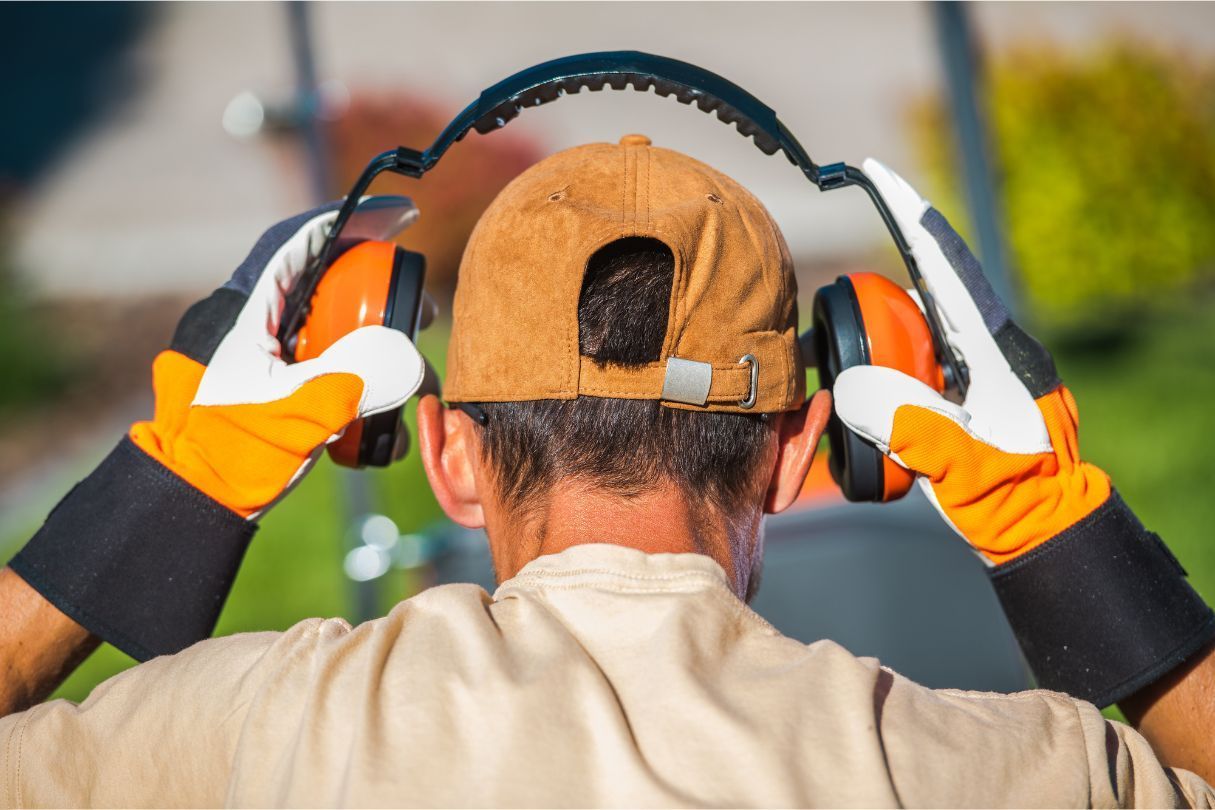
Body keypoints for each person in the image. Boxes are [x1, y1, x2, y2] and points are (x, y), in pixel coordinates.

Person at [1, 135, 1212, 807]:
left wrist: (163, 495)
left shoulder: (250, 737)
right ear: (800, 453)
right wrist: (1054, 528)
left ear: (446, 457)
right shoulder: (970, 772)